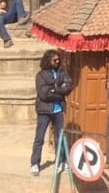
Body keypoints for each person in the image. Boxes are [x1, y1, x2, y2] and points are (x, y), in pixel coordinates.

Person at [30, 48, 74, 177]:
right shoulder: (41, 75)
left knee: (59, 137)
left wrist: (55, 91)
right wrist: (60, 92)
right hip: (45, 110)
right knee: (39, 138)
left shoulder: (61, 72)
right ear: (48, 60)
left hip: (59, 110)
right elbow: (44, 94)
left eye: (58, 59)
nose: (57, 61)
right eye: (54, 59)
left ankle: (60, 161)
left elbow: (69, 86)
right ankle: (34, 163)